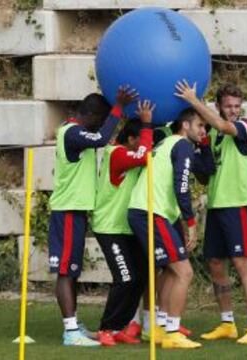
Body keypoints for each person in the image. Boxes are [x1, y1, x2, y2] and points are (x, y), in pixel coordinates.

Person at [175, 81, 247, 344]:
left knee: (241, 263)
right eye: (228, 106)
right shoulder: (211, 134)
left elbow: (225, 126)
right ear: (219, 106)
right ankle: (227, 323)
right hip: (216, 204)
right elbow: (205, 177)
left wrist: (193, 101)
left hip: (237, 204)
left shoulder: (245, 126)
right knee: (215, 262)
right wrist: (196, 158)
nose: (233, 110)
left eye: (237, 106)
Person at [48, 87, 137, 346]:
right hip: (66, 211)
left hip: (76, 212)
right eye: (103, 118)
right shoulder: (72, 132)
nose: (103, 124)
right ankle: (70, 331)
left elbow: (97, 136)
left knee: (72, 270)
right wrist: (119, 108)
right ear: (94, 115)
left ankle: (74, 326)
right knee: (65, 271)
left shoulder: (76, 131)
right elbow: (99, 138)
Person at [128, 108, 212, 349]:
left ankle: (162, 327)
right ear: (185, 126)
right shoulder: (182, 145)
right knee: (184, 272)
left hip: (148, 211)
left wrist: (204, 145)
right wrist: (192, 223)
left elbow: (207, 169)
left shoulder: (166, 142)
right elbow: (181, 186)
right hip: (151, 213)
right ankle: (173, 332)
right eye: (200, 126)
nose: (203, 131)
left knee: (169, 271)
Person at [92, 100, 154, 346]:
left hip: (127, 228)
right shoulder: (116, 154)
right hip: (109, 228)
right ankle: (106, 328)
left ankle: (119, 327)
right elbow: (145, 156)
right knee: (125, 278)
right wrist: (147, 122)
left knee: (140, 277)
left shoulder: (128, 152)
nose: (144, 143)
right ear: (130, 140)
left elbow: (146, 153)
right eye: (140, 139)